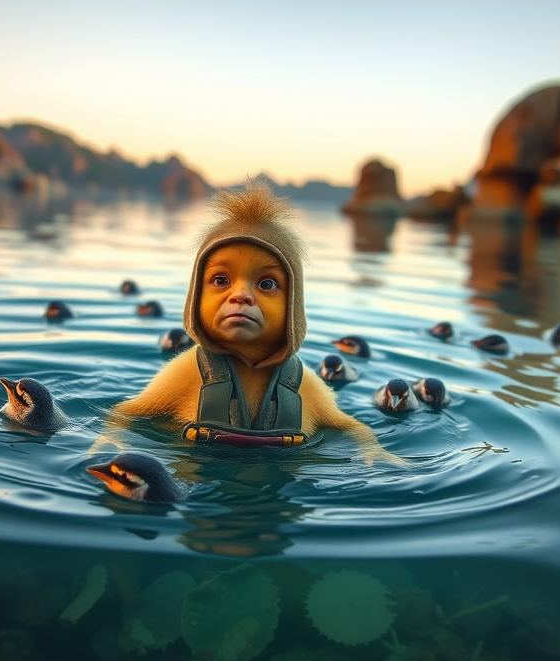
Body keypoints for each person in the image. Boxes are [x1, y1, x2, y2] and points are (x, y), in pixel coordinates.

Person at [102, 182, 401, 464]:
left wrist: (372, 449)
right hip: (200, 498)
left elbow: (350, 426)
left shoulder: (303, 384)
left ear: (293, 308)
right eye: (221, 280)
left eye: (267, 284)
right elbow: (127, 412)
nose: (241, 295)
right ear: (195, 299)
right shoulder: (187, 371)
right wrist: (110, 437)